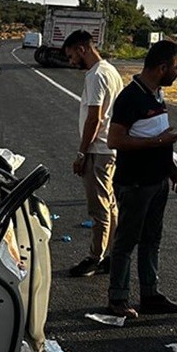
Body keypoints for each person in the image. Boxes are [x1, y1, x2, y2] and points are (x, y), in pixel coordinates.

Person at [104, 40, 177, 318]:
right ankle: (117, 298)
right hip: (136, 182)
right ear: (162, 67)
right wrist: (159, 141)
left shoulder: (157, 93)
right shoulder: (131, 97)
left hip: (157, 181)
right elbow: (115, 140)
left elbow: (158, 136)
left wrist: (171, 168)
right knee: (127, 241)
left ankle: (150, 294)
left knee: (152, 239)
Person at [64, 29, 124, 277]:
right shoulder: (110, 71)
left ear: (82, 49)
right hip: (109, 148)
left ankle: (95, 258)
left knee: (98, 208)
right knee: (109, 205)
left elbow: (94, 118)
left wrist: (81, 153)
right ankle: (112, 254)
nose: (70, 62)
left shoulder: (96, 76)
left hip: (98, 149)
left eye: (71, 56)